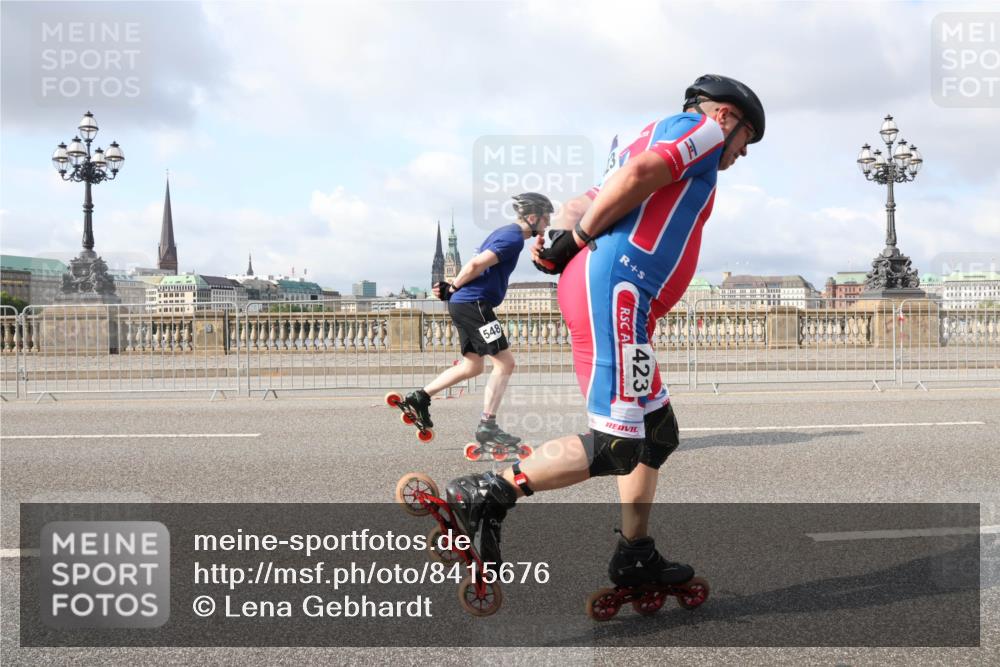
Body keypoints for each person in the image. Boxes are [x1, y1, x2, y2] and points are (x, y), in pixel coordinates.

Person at [444, 75, 765, 589]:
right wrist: (574, 239)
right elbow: (637, 176)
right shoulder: (703, 130)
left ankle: (636, 554)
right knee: (616, 445)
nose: (743, 152)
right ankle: (487, 493)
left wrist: (558, 238)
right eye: (748, 137)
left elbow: (583, 201)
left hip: (624, 301)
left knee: (656, 434)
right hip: (618, 291)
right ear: (726, 116)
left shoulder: (646, 136)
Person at [399, 193, 553, 448]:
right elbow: (475, 265)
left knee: (472, 366)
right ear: (534, 217)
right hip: (475, 305)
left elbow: (472, 263)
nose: (548, 224)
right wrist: (453, 287)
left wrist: (452, 288)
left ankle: (420, 397)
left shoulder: (504, 233)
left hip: (465, 304)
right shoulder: (513, 237)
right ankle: (487, 426)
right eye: (546, 218)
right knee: (505, 363)